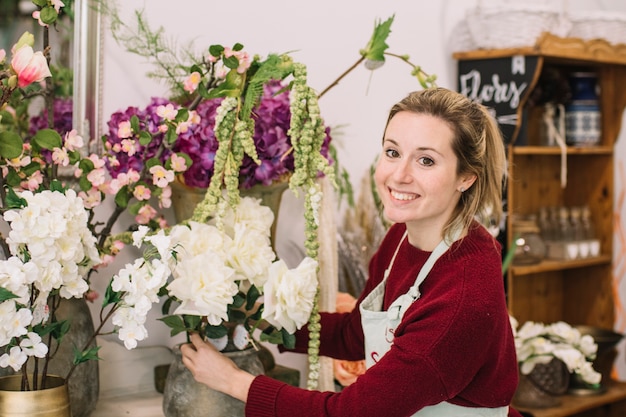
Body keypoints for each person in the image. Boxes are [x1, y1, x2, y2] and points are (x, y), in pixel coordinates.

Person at [181, 87, 523, 417]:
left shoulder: (463, 295)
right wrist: (263, 316)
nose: (399, 175)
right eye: (392, 152)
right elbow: (354, 336)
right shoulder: (401, 239)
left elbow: (352, 413)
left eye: (426, 160)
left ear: (466, 177)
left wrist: (234, 381)